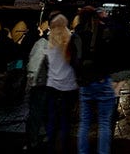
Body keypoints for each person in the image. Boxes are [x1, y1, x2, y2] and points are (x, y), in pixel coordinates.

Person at [71, 6, 117, 154]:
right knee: (104, 123)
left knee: (84, 123)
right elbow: (110, 57)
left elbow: (73, 60)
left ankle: (82, 151)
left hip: (85, 82)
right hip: (102, 81)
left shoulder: (77, 34)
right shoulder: (104, 31)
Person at [45, 13, 79, 154]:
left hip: (52, 84)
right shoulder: (70, 40)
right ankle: (64, 147)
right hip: (69, 84)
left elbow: (47, 63)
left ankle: (50, 145)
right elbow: (74, 62)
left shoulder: (50, 42)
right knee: (66, 119)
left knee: (52, 117)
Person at [24, 16, 50, 152]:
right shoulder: (44, 45)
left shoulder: (40, 44)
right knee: (38, 112)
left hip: (40, 83)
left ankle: (37, 137)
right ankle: (34, 139)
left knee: (39, 111)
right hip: (41, 84)